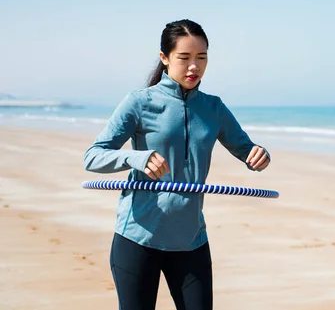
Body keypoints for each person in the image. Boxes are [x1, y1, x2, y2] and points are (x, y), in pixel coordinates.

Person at [83, 19, 271, 310]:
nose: (193, 66)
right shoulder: (139, 102)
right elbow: (93, 156)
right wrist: (136, 157)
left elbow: (247, 150)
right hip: (138, 236)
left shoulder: (214, 108)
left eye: (201, 57)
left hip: (191, 239)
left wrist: (259, 156)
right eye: (184, 58)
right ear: (165, 58)